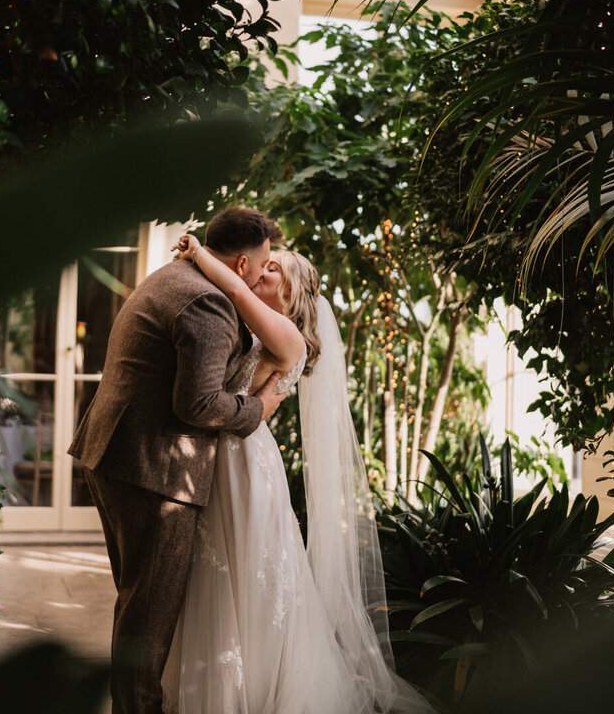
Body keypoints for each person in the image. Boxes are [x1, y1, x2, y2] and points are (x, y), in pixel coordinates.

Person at [162, 235, 434, 714]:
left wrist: (200, 254)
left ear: (289, 294)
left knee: (249, 575)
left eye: (273, 270)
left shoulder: (285, 334)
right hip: (227, 454)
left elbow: (240, 295)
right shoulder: (255, 330)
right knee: (219, 572)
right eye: (263, 265)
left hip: (245, 463)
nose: (260, 271)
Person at [68, 207, 290, 714]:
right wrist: (260, 407)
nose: (261, 275)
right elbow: (199, 403)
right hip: (153, 470)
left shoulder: (174, 275)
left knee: (135, 603)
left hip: (117, 454)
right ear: (240, 263)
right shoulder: (208, 302)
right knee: (147, 621)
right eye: (262, 264)